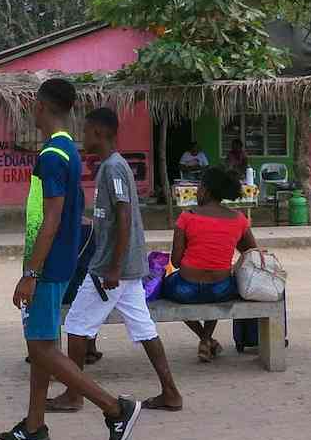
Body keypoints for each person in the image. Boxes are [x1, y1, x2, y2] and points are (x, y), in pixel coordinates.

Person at [0, 78, 142, 440]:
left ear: (41, 107)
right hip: (56, 262)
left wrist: (30, 273)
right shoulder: (65, 150)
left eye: (33, 105)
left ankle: (114, 408)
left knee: (42, 348)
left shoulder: (52, 156)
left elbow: (52, 219)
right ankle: (34, 426)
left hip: (47, 266)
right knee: (41, 344)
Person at [46, 108, 183, 413]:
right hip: (126, 266)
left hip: (112, 268)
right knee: (144, 328)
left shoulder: (112, 168)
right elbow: (113, 216)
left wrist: (114, 267)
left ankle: (74, 393)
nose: (83, 137)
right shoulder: (111, 167)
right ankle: (171, 392)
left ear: (98, 132)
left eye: (85, 131)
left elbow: (122, 214)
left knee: (78, 325)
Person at [165, 166, 257, 362]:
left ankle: (204, 338)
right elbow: (252, 251)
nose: (197, 192)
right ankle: (207, 339)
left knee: (165, 287)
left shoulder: (187, 216)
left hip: (185, 289)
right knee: (216, 288)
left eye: (198, 188)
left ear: (205, 190)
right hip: (221, 289)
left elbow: (175, 261)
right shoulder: (238, 219)